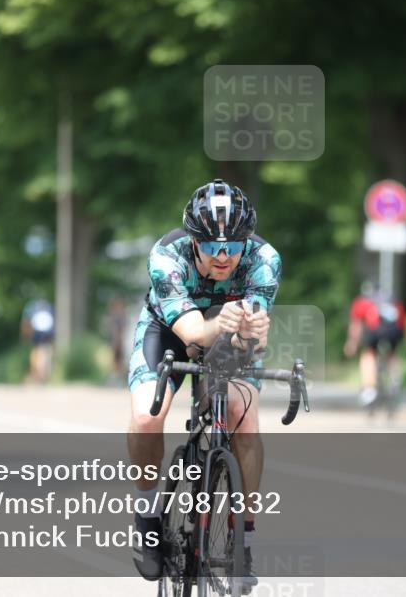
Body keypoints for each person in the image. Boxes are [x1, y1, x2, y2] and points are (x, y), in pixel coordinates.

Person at [126, 179, 280, 589]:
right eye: (212, 247)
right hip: (172, 330)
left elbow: (254, 336)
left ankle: (243, 539)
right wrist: (219, 326)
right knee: (146, 416)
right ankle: (147, 516)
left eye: (234, 246)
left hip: (230, 338)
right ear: (195, 242)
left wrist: (252, 332)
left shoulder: (263, 258)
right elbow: (193, 332)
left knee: (240, 414)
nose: (225, 256)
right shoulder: (166, 256)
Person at [344, 281, 405, 406]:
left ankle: (369, 389)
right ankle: (395, 378)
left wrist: (352, 343)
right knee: (392, 353)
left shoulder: (363, 301)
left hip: (376, 331)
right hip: (395, 331)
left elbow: (357, 325)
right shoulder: (392, 301)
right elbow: (402, 322)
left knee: (368, 354)